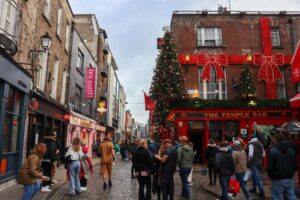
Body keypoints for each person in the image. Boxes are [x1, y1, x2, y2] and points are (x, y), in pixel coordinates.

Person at [267, 133, 297, 200]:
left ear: (276, 140)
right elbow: (295, 165)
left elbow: (269, 167)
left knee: (276, 197)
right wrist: (292, 174)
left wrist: (272, 177)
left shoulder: (273, 151)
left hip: (277, 178)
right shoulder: (291, 151)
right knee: (291, 197)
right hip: (289, 178)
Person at [247, 134, 265, 199]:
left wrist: (248, 161)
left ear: (251, 137)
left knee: (257, 177)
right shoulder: (261, 144)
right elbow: (263, 155)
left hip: (253, 163)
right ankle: (254, 189)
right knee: (254, 176)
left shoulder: (251, 144)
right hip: (260, 163)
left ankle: (262, 193)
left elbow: (250, 155)